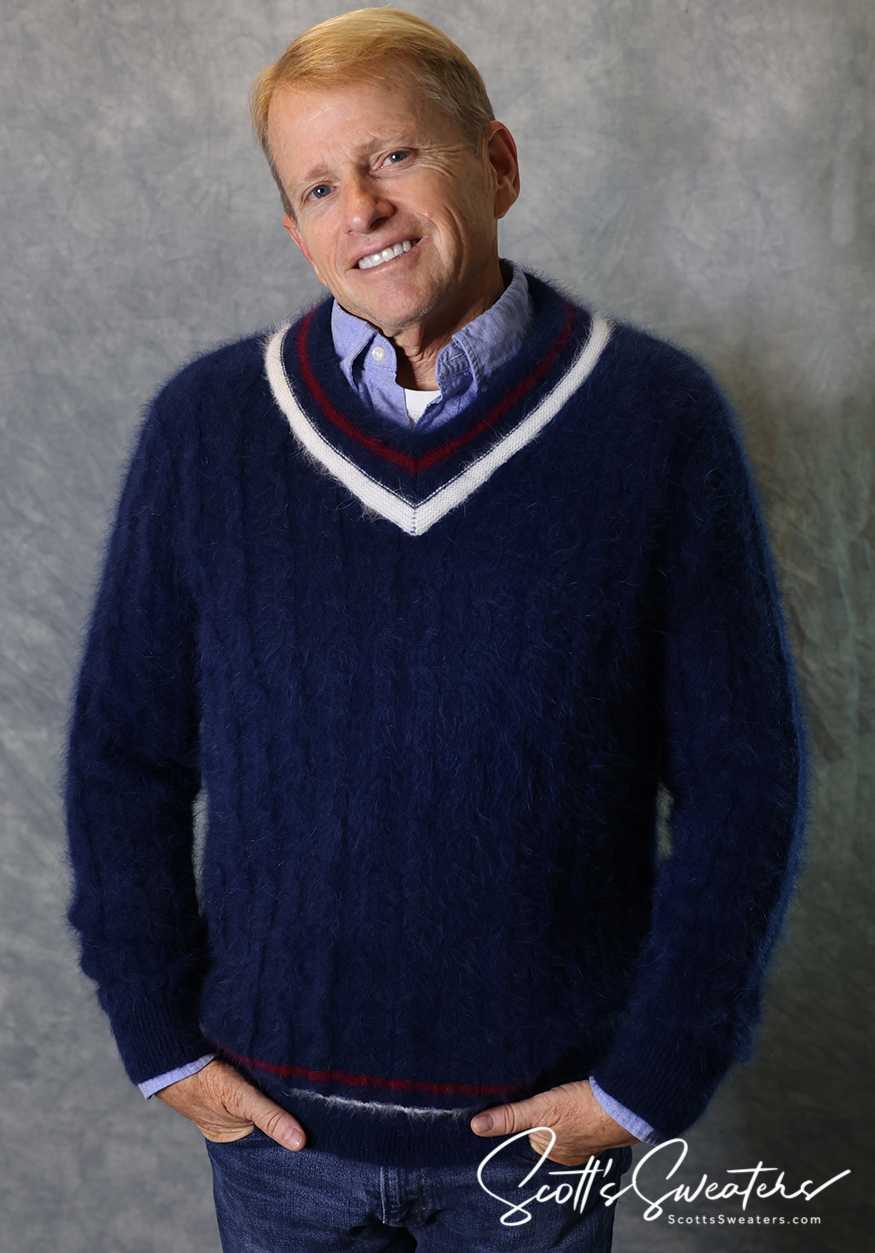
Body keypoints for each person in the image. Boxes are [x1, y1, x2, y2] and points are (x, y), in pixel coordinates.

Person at [66, 9, 806, 1251]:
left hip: (537, 1144)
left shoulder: (654, 420)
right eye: (317, 183)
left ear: (497, 165)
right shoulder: (207, 428)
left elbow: (744, 777)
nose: (360, 204)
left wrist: (645, 1080)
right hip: (278, 1142)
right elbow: (122, 758)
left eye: (394, 156)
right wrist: (154, 1034)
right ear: (295, 230)